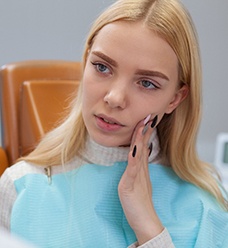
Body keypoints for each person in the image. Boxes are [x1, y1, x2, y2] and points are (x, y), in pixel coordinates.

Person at [0, 0, 228, 247]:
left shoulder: (208, 204)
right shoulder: (20, 187)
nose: (115, 98)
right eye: (102, 67)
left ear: (174, 99)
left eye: (147, 83)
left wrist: (149, 229)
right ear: (85, 61)